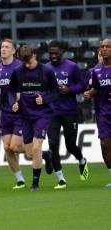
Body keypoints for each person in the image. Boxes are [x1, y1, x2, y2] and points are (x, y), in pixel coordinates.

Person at [8, 45, 60, 192]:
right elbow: (11, 91)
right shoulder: (18, 71)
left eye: (29, 59)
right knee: (31, 154)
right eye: (24, 61)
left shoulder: (46, 71)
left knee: (36, 147)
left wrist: (44, 99)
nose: (27, 63)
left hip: (42, 115)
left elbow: (56, 93)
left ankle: (35, 183)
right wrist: (14, 103)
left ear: (34, 55)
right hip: (25, 116)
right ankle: (46, 155)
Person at [43, 41, 89, 189]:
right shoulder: (45, 68)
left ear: (62, 52)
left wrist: (69, 89)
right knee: (53, 145)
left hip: (70, 112)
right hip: (52, 113)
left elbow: (83, 86)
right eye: (51, 53)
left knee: (70, 146)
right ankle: (61, 179)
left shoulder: (72, 67)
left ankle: (81, 160)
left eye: (56, 53)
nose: (54, 56)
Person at [0, 38, 25, 189]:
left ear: (14, 51)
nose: (3, 49)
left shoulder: (21, 67)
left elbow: (27, 87)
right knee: (6, 147)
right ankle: (20, 180)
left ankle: (41, 153)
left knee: (15, 147)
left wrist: (20, 101)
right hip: (5, 113)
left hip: (20, 112)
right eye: (2, 47)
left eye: (7, 47)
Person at [84, 38, 111, 187]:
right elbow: (95, 88)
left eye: (107, 46)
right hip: (103, 113)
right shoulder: (96, 71)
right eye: (102, 47)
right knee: (105, 143)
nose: (104, 49)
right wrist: (90, 94)